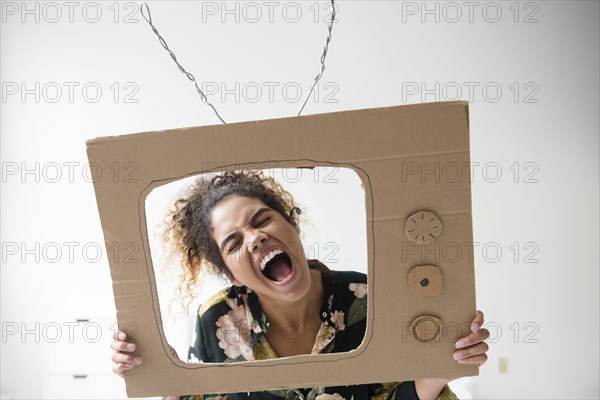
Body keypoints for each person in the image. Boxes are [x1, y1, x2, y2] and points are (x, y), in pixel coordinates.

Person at [110, 171, 490, 400]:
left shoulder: (367, 298)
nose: (255, 238)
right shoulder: (218, 319)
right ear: (230, 273)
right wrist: (158, 371)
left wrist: (437, 371)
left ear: (291, 223)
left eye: (262, 220)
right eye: (233, 243)